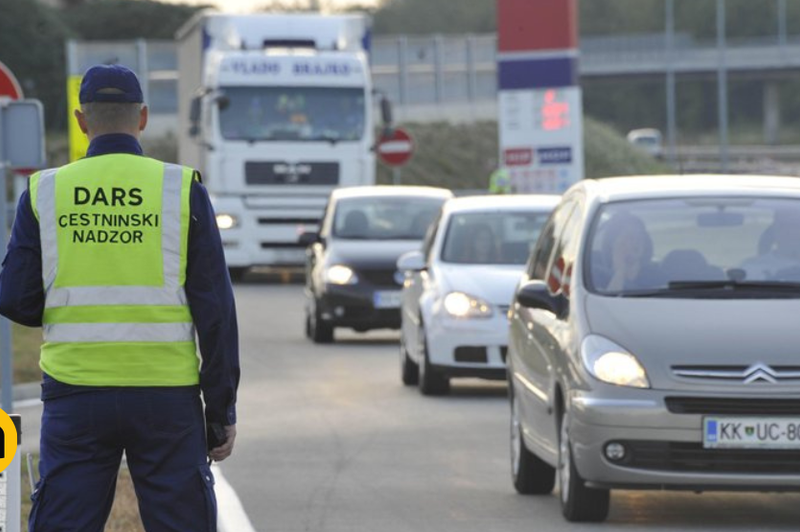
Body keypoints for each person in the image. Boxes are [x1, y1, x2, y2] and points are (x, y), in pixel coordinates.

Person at [0, 64, 240, 531]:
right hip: (167, 399)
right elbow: (216, 312)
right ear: (143, 118)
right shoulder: (181, 188)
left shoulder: (45, 190)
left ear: (81, 120)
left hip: (76, 395)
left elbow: (14, 297)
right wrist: (220, 412)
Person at [595, 213, 663, 292]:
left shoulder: (657, 276)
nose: (636, 242)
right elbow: (607, 303)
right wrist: (620, 272)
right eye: (629, 237)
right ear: (612, 243)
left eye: (640, 236)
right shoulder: (595, 277)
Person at [740, 207, 800, 280]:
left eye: (795, 226)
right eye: (783, 226)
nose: (790, 231)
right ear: (774, 231)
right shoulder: (750, 268)